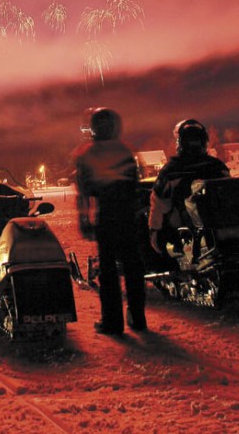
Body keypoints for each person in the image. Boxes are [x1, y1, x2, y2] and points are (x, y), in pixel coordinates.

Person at [74, 107, 146, 335]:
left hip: (106, 215)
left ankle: (112, 322)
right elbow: (135, 186)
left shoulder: (86, 153)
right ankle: (137, 317)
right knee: (133, 267)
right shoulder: (126, 151)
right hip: (127, 215)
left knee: (108, 271)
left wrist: (84, 218)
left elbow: (84, 191)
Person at [148, 118, 230, 254]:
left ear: (179, 142)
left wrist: (155, 234)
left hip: (187, 230)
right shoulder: (217, 166)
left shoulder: (171, 171)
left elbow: (158, 206)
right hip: (222, 224)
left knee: (142, 219)